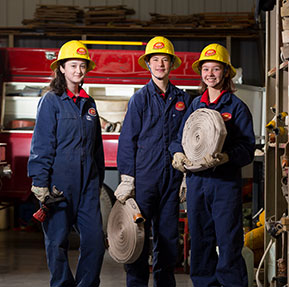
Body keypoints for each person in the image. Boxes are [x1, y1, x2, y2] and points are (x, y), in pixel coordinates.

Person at [169, 43, 255, 287]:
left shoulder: (237, 108)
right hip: (197, 184)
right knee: (200, 241)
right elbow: (179, 138)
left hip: (224, 184)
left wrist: (226, 157)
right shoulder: (195, 106)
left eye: (215, 69)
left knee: (228, 242)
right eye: (205, 69)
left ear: (226, 72)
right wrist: (177, 154)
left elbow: (247, 148)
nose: (210, 74)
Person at [114, 36, 191, 286]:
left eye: (165, 59)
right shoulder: (140, 99)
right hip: (144, 180)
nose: (160, 64)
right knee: (137, 237)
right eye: (155, 59)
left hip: (171, 179)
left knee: (168, 239)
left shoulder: (183, 99)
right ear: (148, 64)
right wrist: (127, 178)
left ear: (172, 64)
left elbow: (187, 137)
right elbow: (127, 140)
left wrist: (186, 175)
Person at [28, 40, 105, 287]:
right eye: (73, 65)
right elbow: (41, 143)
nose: (78, 71)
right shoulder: (51, 101)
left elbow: (97, 148)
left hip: (88, 185)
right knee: (57, 242)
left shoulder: (89, 103)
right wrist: (40, 182)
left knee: (94, 242)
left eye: (82, 66)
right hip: (58, 186)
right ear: (61, 68)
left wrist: (98, 178)